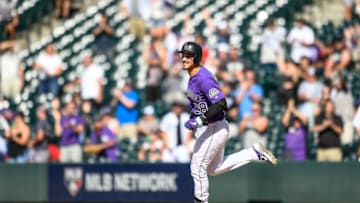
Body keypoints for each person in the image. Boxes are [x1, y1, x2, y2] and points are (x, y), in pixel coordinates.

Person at [177, 41, 277, 203]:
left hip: (214, 127)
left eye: (188, 56)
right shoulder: (192, 77)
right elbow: (201, 104)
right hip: (209, 127)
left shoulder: (204, 78)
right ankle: (253, 153)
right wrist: (194, 117)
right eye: (183, 55)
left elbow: (221, 104)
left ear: (196, 58)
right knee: (213, 169)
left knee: (197, 167)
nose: (183, 58)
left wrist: (201, 119)